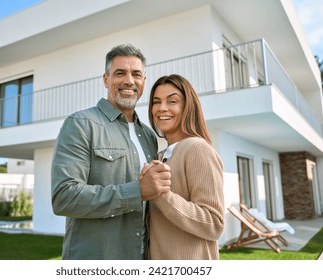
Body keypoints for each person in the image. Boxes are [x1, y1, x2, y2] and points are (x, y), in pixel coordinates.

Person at [51, 44, 171, 260]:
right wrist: (137, 191)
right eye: (120, 73)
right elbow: (64, 197)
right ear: (106, 79)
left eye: (136, 74)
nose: (129, 81)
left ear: (143, 81)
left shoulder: (149, 135)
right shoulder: (81, 124)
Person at [146, 74, 225, 260]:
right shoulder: (161, 155)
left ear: (188, 106)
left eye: (172, 101)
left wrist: (161, 194)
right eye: (156, 102)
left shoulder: (197, 149)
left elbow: (214, 224)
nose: (162, 108)